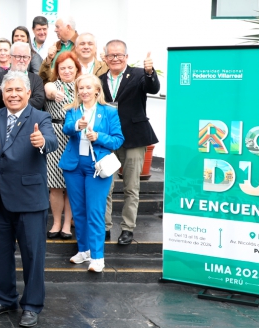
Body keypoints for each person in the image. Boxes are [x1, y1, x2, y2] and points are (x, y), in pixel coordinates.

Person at [0, 71, 58, 328]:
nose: (13, 95)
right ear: (2, 94)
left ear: (28, 93)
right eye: (8, 90)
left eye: (18, 90)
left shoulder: (40, 117)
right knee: (0, 254)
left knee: (33, 255)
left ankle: (31, 306)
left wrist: (41, 141)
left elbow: (52, 141)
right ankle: (5, 299)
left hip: (30, 199)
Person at [60, 74, 124, 272]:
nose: (84, 91)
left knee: (95, 211)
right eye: (81, 88)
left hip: (97, 167)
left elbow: (118, 140)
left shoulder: (109, 111)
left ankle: (97, 257)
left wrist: (98, 136)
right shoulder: (72, 110)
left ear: (97, 90)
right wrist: (76, 126)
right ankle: (84, 250)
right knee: (78, 211)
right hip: (74, 166)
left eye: (89, 87)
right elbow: (66, 129)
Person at [101, 40, 160, 244]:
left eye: (119, 55)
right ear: (105, 58)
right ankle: (105, 227)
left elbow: (152, 88)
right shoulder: (99, 80)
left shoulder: (138, 75)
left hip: (134, 138)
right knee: (105, 186)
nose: (115, 58)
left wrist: (150, 72)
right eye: (111, 55)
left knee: (131, 187)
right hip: (108, 141)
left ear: (126, 57)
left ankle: (127, 228)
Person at [43, 51, 81, 239]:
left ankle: (67, 224)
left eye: (70, 67)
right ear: (57, 70)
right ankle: (57, 222)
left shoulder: (82, 86)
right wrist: (53, 93)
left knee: (72, 184)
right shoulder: (52, 85)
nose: (67, 71)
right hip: (55, 135)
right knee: (55, 184)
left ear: (77, 69)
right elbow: (49, 90)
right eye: (62, 68)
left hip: (76, 136)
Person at [0, 42, 45, 111]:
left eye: (25, 57)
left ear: (29, 59)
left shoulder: (37, 79)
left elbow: (38, 102)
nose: (22, 60)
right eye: (18, 57)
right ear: (10, 58)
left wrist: (6, 92)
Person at [39, 16, 78, 83]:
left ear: (68, 27)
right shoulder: (56, 46)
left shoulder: (82, 45)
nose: (55, 30)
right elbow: (42, 77)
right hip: (53, 87)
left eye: (57, 27)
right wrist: (48, 59)